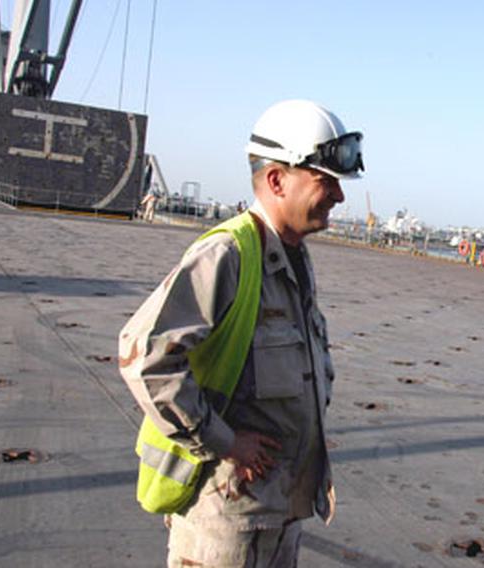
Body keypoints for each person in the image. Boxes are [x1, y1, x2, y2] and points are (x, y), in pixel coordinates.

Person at [119, 99, 363, 567]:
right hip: (226, 522)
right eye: (325, 181)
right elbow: (144, 355)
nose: (339, 196)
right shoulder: (227, 255)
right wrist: (224, 440)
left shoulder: (294, 257)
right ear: (277, 180)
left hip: (280, 511)